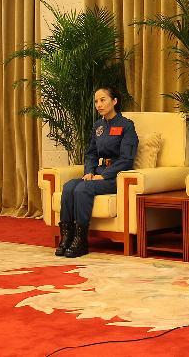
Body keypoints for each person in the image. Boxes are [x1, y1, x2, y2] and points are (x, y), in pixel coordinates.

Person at [57, 87, 138, 258]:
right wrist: (89, 171)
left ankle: (81, 240)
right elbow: (91, 153)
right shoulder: (98, 126)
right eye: (96, 101)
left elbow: (126, 159)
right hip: (98, 171)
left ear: (114, 101)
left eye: (103, 100)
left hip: (117, 175)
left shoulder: (126, 126)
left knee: (82, 189)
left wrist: (105, 175)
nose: (99, 105)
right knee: (70, 186)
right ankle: (67, 236)